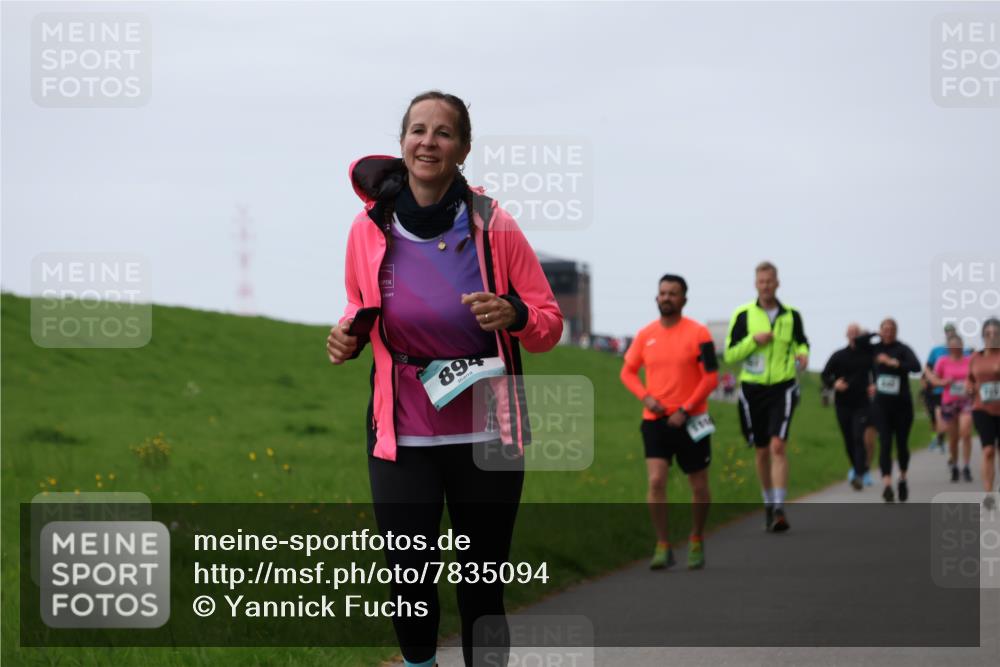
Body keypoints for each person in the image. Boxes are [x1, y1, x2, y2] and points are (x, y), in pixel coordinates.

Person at [326, 91, 563, 667]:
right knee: (409, 582)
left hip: (487, 434)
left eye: (443, 133)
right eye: (418, 130)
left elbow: (548, 323)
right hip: (402, 432)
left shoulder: (494, 225)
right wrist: (346, 336)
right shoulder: (367, 228)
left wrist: (515, 313)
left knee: (482, 587)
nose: (428, 142)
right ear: (402, 142)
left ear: (463, 149)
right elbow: (359, 307)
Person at [621, 275, 719, 570]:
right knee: (655, 481)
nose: (666, 297)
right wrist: (646, 397)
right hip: (656, 420)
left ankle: (696, 538)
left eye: (673, 293)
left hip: (692, 420)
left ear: (684, 300)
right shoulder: (645, 335)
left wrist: (686, 409)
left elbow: (711, 377)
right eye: (663, 293)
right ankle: (663, 545)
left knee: (699, 485)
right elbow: (627, 372)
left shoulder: (699, 333)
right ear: (656, 297)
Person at [724, 262, 809, 532]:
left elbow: (801, 341)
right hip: (752, 389)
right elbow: (730, 354)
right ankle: (768, 503)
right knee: (761, 451)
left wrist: (802, 354)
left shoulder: (792, 315)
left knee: (777, 446)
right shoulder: (743, 315)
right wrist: (753, 341)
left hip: (783, 386)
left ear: (777, 283)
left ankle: (780, 508)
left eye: (769, 281)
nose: (766, 286)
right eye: (761, 281)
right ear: (755, 284)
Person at [868, 318, 921, 502]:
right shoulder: (874, 349)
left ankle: (902, 478)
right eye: (885, 329)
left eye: (891, 329)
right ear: (881, 331)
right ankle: (887, 485)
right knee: (885, 442)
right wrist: (873, 334)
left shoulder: (903, 349)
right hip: (881, 405)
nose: (888, 332)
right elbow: (858, 345)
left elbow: (916, 367)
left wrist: (893, 363)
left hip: (902, 405)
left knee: (901, 444)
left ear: (896, 331)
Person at [821, 323, 875, 490]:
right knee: (848, 440)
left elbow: (877, 372)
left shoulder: (868, 355)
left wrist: (874, 385)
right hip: (843, 404)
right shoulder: (839, 355)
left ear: (860, 335)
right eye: (850, 332)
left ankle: (859, 475)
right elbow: (825, 375)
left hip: (862, 404)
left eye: (856, 332)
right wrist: (834, 384)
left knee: (858, 437)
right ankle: (858, 468)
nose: (853, 335)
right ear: (846, 335)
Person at [929, 333, 975, 482]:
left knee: (966, 432)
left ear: (962, 346)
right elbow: (934, 379)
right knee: (953, 438)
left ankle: (966, 466)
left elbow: (976, 378)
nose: (956, 348)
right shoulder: (942, 361)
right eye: (952, 346)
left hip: (966, 401)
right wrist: (943, 382)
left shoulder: (969, 360)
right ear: (948, 347)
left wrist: (971, 386)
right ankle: (955, 465)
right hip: (949, 402)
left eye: (958, 345)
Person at [967, 318, 1000, 506]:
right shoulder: (975, 357)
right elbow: (969, 379)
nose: (992, 337)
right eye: (988, 333)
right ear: (983, 336)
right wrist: (970, 388)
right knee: (988, 450)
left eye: (996, 333)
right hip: (981, 408)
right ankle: (989, 494)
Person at [923, 324, 957, 453]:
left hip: (954, 391)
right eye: (947, 331)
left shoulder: (961, 350)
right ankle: (937, 440)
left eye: (952, 331)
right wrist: (930, 379)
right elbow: (927, 367)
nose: (950, 334)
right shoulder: (936, 350)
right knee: (936, 418)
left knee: (947, 419)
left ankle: (942, 440)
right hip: (937, 390)